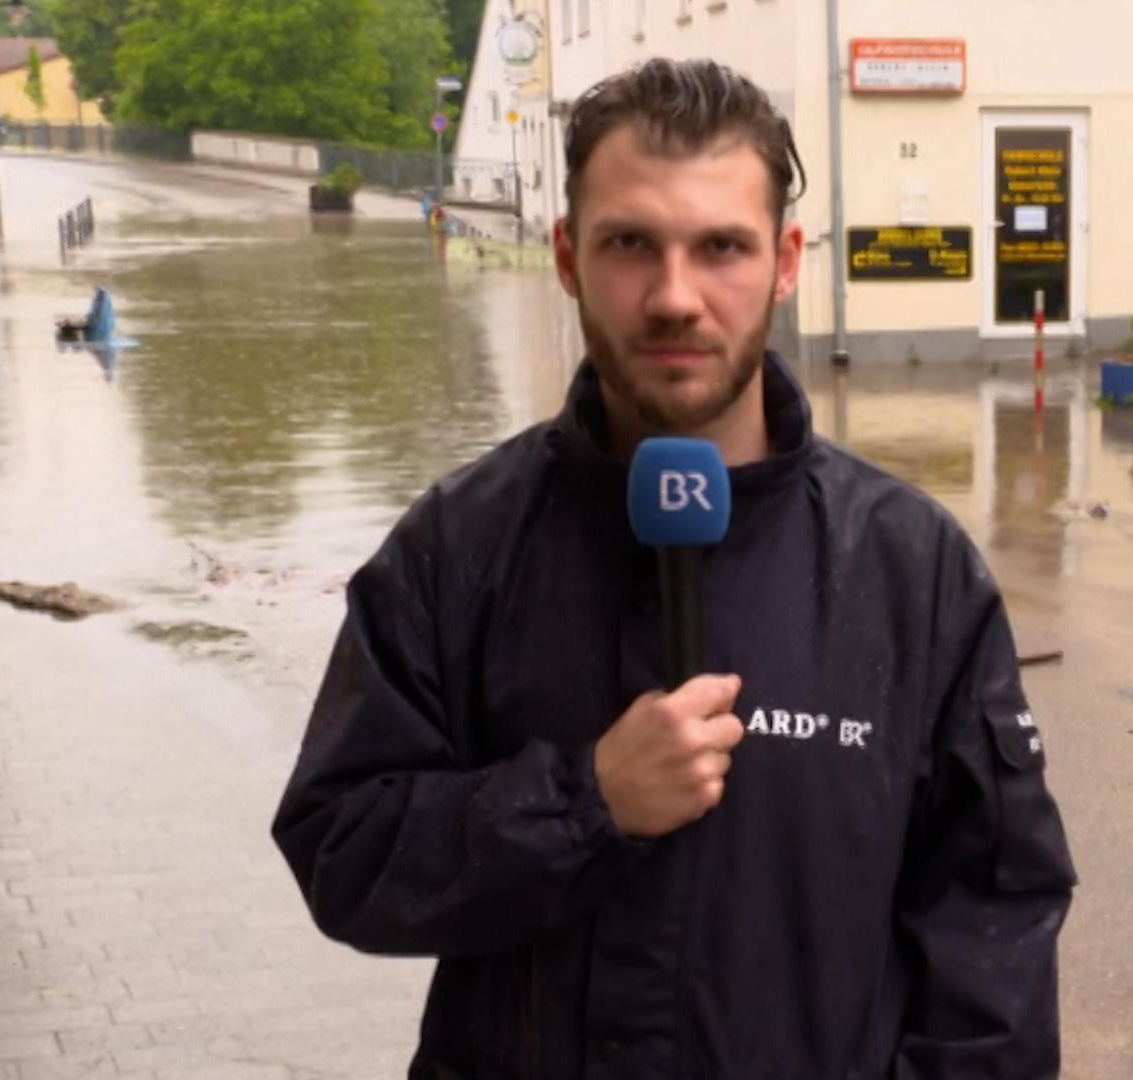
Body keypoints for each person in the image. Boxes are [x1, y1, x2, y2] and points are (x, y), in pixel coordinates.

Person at [272, 58, 1076, 1078]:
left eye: (722, 247)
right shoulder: (460, 545)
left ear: (786, 262)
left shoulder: (911, 571)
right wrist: (580, 803)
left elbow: (994, 931)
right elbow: (342, 851)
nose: (674, 297)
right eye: (630, 245)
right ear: (567, 256)